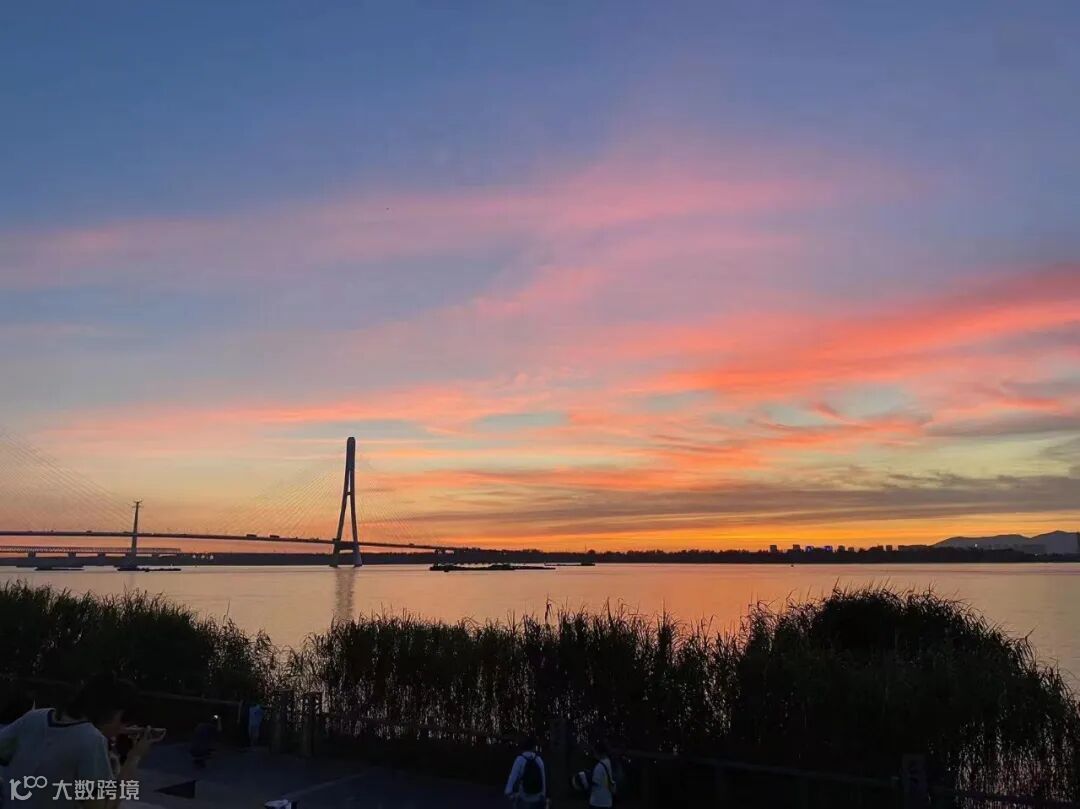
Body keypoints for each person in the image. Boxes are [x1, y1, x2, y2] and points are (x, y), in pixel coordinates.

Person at [0, 673, 161, 809]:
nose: (125, 726)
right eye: (125, 719)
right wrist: (134, 757)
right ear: (114, 713)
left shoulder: (34, 718)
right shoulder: (91, 741)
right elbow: (104, 806)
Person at [503, 735, 546, 808]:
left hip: (525, 796)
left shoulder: (520, 759)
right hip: (538, 796)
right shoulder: (539, 760)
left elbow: (513, 776)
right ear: (533, 747)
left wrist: (508, 791)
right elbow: (543, 778)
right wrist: (543, 794)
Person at [588, 740, 616, 809]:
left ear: (598, 753)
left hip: (598, 802)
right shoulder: (608, 761)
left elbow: (595, 782)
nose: (594, 755)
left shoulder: (599, 767)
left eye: (594, 752)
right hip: (607, 801)